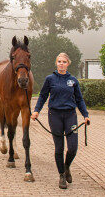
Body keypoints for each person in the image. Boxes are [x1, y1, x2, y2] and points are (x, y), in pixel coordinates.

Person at [31, 53, 90, 189]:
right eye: (59, 61)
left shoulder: (73, 80)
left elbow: (79, 99)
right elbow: (43, 96)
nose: (61, 64)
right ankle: (62, 175)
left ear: (68, 63)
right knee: (59, 148)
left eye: (64, 61)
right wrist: (36, 111)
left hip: (70, 116)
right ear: (56, 63)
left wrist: (85, 115)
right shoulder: (50, 79)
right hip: (55, 115)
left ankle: (67, 166)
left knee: (73, 148)